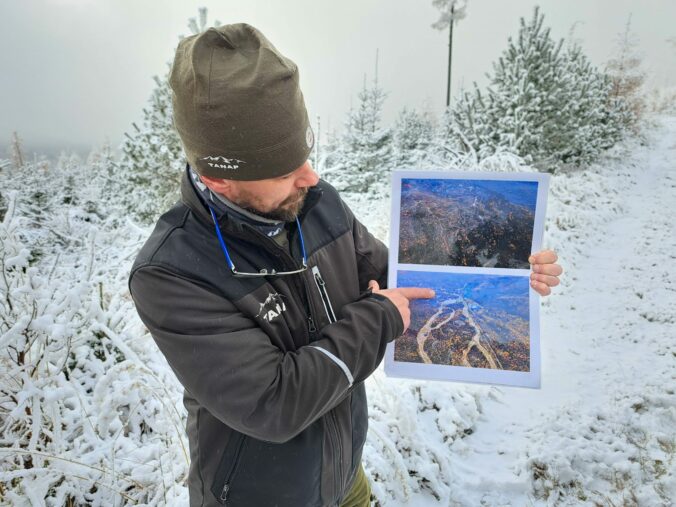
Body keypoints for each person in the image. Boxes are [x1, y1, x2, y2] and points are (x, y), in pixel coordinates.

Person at [129, 23, 563, 507]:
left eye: (305, 154)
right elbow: (274, 403)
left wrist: (501, 271)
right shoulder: (173, 272)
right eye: (285, 169)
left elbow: (400, 283)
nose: (310, 178)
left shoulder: (317, 205)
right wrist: (378, 318)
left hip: (340, 475)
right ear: (221, 179)